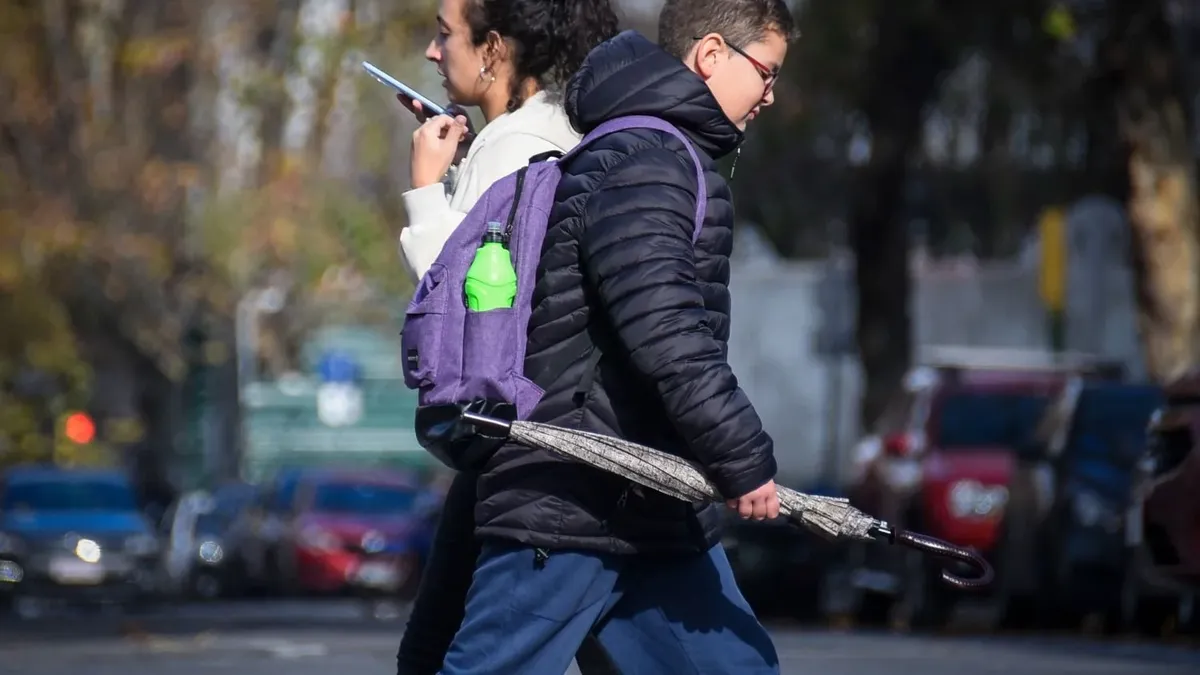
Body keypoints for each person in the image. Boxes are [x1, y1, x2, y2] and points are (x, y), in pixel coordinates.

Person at [437, 0, 798, 673]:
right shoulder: (649, 160)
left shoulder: (654, 152)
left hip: (647, 512)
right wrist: (743, 456)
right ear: (712, 54)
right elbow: (664, 331)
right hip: (570, 508)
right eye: (767, 73)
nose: (771, 96)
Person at [391, 1, 620, 674]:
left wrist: (427, 186)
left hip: (525, 438)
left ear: (493, 48)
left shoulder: (519, 146)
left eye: (444, 34)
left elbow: (461, 305)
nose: (433, 53)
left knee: (440, 651)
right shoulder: (538, 134)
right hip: (544, 434)